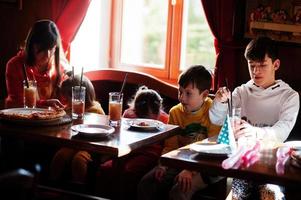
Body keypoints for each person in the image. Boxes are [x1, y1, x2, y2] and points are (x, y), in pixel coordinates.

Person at [210, 36, 300, 199]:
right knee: (237, 195)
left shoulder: (289, 96)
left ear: (276, 64)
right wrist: (219, 101)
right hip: (243, 164)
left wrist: (254, 132)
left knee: (270, 195)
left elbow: (281, 132)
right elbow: (216, 120)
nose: (256, 71)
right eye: (252, 65)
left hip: (273, 166)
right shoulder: (241, 92)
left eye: (262, 65)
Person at [137, 65, 222, 200]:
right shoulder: (175, 112)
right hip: (180, 160)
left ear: (204, 95)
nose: (182, 98)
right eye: (180, 91)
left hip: (204, 164)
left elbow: (212, 150)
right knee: (147, 183)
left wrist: (189, 169)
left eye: (188, 93)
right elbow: (171, 146)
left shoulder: (214, 112)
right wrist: (163, 164)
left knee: (179, 190)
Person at [97, 86, 169, 200]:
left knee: (128, 171)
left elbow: (167, 144)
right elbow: (119, 135)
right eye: (143, 116)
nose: (148, 119)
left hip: (150, 154)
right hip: (128, 151)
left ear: (158, 110)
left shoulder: (164, 119)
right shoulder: (129, 115)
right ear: (136, 109)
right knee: (106, 168)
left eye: (153, 116)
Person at [50, 74, 104, 186]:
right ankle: (53, 186)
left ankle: (79, 189)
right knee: (60, 155)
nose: (67, 101)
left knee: (78, 160)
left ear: (82, 95)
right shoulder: (70, 108)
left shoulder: (95, 111)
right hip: (73, 143)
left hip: (91, 146)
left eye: (69, 97)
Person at [5, 19, 69, 108]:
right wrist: (45, 104)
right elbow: (17, 102)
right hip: (20, 119)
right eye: (42, 49)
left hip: (51, 120)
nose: (47, 55)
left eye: (51, 48)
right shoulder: (15, 65)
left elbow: (64, 101)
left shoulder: (59, 68)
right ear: (31, 45)